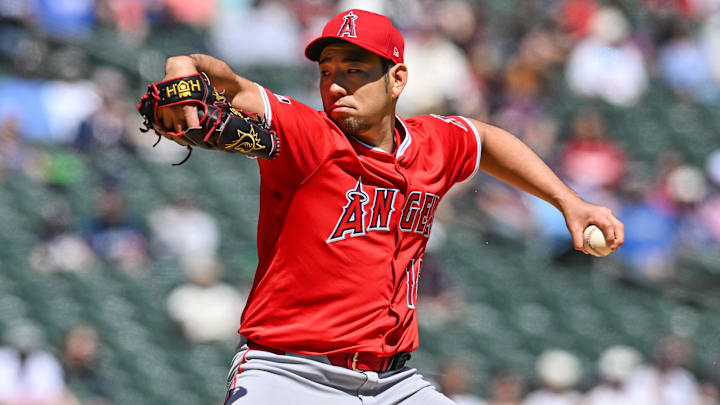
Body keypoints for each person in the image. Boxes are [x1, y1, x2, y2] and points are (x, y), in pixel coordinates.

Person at [153, 9, 624, 404]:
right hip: (289, 376)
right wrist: (182, 64)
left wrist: (569, 202)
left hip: (392, 383)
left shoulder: (433, 144)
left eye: (354, 69)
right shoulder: (308, 137)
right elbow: (230, 86)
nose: (336, 84)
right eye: (327, 71)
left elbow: (485, 140)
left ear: (397, 78)